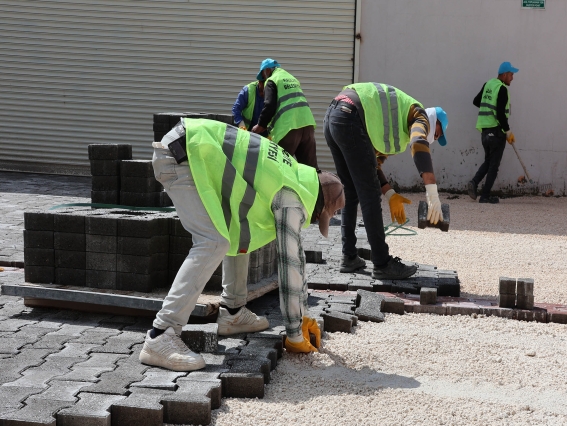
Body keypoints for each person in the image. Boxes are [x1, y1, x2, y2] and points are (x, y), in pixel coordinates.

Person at [140, 118, 345, 371]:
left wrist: (304, 315)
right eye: (316, 218)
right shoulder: (292, 199)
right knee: (213, 242)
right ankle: (161, 334)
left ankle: (233, 312)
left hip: (190, 150)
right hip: (182, 156)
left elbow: (297, 255)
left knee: (236, 232)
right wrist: (294, 332)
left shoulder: (294, 176)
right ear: (317, 208)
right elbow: (290, 262)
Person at [323, 82, 448, 279]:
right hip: (349, 116)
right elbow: (418, 143)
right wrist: (432, 193)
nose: (434, 138)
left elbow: (374, 164)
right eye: (437, 133)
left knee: (351, 191)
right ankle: (382, 264)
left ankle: (349, 257)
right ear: (434, 121)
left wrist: (390, 193)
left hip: (334, 116)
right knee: (370, 195)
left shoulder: (397, 129)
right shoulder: (420, 115)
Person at [250, 59, 319, 170]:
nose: (263, 78)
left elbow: (269, 105)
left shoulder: (272, 80)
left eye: (263, 75)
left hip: (288, 128)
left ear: (267, 70)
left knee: (279, 168)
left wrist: (260, 125)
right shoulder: (292, 78)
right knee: (310, 169)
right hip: (307, 126)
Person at [468, 62, 518, 204]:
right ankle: (485, 196)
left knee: (489, 161)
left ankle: (474, 182)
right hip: (496, 132)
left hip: (484, 131)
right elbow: (501, 114)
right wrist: (508, 131)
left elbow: (476, 101)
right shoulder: (502, 89)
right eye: (511, 75)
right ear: (504, 74)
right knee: (493, 166)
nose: (512, 78)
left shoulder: (488, 84)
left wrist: (489, 108)